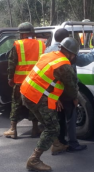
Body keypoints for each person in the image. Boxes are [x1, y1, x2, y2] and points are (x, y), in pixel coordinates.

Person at [20, 37, 80, 171]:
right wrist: (75, 98)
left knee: (48, 123)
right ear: (71, 53)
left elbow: (46, 78)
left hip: (26, 92)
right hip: (37, 97)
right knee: (53, 128)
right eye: (74, 55)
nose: (74, 57)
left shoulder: (50, 55)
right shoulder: (64, 65)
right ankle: (34, 159)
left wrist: (55, 98)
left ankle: (57, 144)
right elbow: (71, 87)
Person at [45, 28, 94, 155]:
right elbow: (83, 60)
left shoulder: (48, 50)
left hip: (53, 90)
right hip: (65, 89)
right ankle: (73, 143)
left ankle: (60, 142)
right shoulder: (68, 51)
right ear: (67, 39)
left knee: (59, 116)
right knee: (70, 116)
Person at [3, 22, 46, 139]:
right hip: (35, 82)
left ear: (22, 34)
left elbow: (11, 63)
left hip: (20, 81)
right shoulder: (41, 44)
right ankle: (35, 128)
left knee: (16, 104)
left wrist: (10, 78)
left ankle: (13, 129)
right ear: (32, 33)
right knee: (34, 104)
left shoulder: (18, 45)